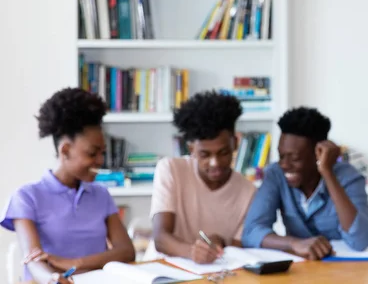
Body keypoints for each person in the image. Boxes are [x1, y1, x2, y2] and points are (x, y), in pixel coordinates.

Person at [0, 88, 136, 284]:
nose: (100, 160)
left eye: (102, 153)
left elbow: (126, 251)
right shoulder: (27, 197)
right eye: (92, 153)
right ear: (65, 150)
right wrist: (53, 278)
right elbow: (33, 261)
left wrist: (75, 263)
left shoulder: (101, 194)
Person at [242, 106, 368, 260]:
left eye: (294, 158)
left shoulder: (348, 176)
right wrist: (294, 244)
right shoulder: (275, 174)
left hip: (343, 271)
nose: (284, 164)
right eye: (281, 155)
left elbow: (360, 240)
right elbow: (251, 233)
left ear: (318, 154)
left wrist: (327, 172)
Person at [150, 90, 256, 263]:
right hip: (163, 271)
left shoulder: (249, 192)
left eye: (223, 153)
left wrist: (220, 241)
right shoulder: (170, 169)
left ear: (235, 143)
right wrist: (192, 251)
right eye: (205, 155)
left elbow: (238, 250)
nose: (215, 163)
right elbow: (161, 238)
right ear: (191, 149)